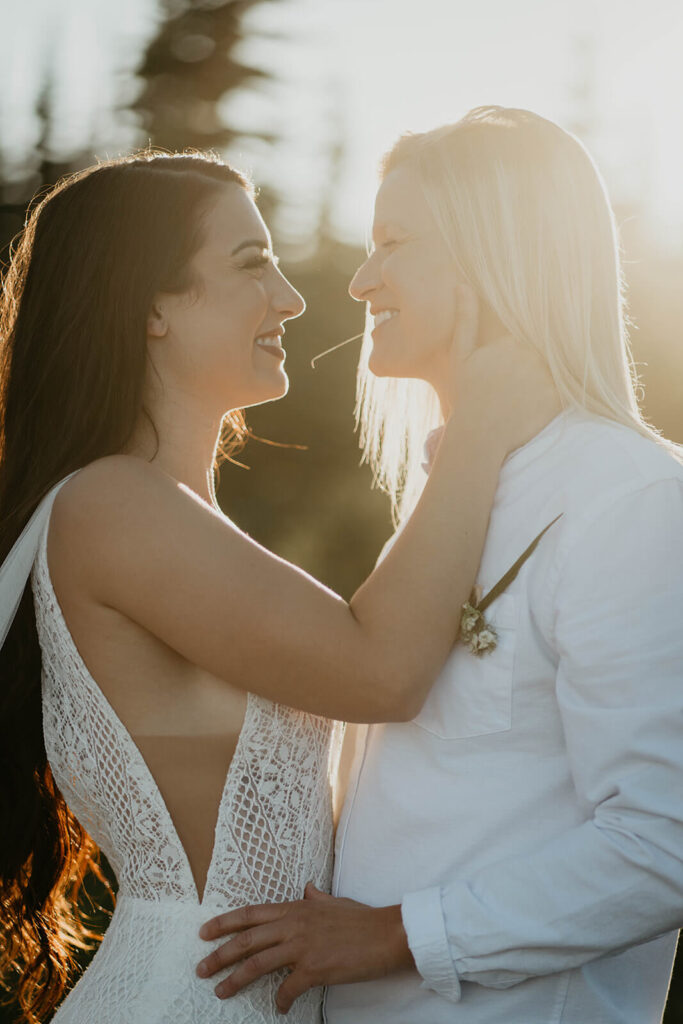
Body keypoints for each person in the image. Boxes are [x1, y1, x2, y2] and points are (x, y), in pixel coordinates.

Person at [0, 150, 558, 1024]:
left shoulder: (163, 514)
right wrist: (480, 423)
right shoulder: (114, 504)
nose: (293, 299)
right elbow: (381, 672)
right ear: (151, 306)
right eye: (250, 263)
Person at [196, 108, 683, 1024]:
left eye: (393, 243)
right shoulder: (449, 494)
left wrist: (394, 936)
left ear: (491, 255)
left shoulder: (628, 497)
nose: (360, 277)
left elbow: (665, 842)